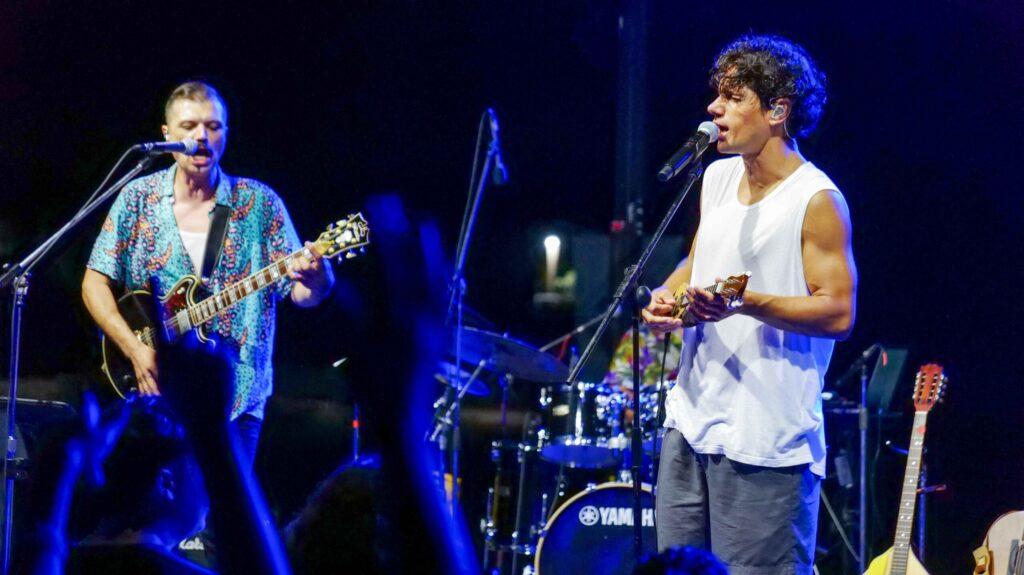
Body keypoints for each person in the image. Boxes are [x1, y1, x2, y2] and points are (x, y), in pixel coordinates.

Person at [642, 35, 857, 574]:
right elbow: (699, 259)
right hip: (691, 425)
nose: (714, 108)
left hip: (766, 441)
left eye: (733, 97)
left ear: (777, 111)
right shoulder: (717, 177)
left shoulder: (816, 199)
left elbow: (838, 311)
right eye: (718, 94)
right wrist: (668, 296)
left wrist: (745, 302)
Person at [81, 80, 334, 467]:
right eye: (189, 126)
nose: (201, 136)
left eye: (213, 126)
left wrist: (320, 282)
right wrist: (135, 350)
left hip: (236, 402)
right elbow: (94, 283)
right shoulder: (137, 198)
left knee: (225, 507)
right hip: (151, 400)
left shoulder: (259, 204)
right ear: (167, 134)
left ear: (225, 134)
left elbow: (299, 294)